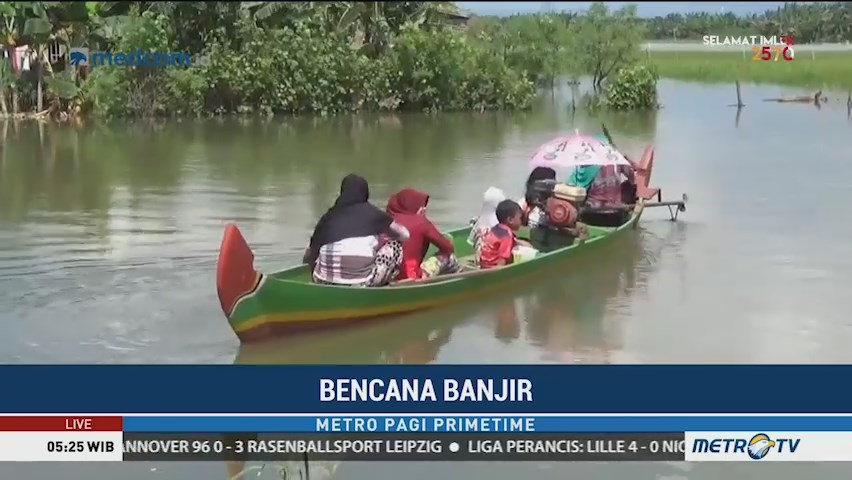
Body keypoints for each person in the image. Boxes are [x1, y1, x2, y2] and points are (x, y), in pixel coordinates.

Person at [303, 174, 410, 286]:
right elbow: (405, 235)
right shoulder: (374, 214)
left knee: (313, 248)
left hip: (323, 281)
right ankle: (384, 284)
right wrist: (383, 238)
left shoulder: (329, 216)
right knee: (395, 244)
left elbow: (313, 248)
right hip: (363, 282)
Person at [385, 188, 459, 280]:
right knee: (449, 256)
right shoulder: (420, 222)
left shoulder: (383, 220)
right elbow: (447, 247)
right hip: (410, 275)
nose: (423, 209)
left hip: (386, 275)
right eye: (421, 206)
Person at [479, 200, 530, 269]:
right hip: (492, 268)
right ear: (510, 220)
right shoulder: (507, 235)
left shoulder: (495, 229)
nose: (521, 221)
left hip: (484, 265)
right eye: (520, 218)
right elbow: (502, 259)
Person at [468, 187, 507, 263]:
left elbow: (473, 241)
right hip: (491, 260)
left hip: (479, 258)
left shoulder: (480, 221)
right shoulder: (497, 223)